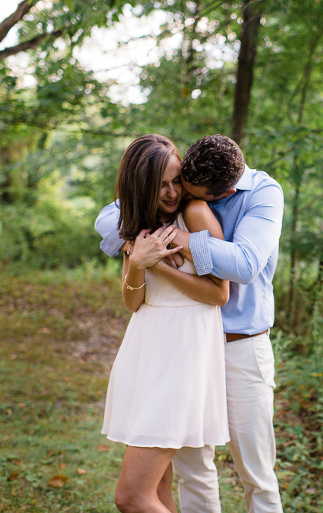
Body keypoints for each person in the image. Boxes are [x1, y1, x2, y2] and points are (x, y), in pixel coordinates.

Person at [95, 134, 285, 513]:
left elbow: (244, 267)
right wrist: (136, 250)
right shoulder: (175, 192)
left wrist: (175, 243)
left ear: (224, 189)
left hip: (239, 342)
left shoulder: (259, 194)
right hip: (180, 349)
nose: (176, 193)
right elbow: (108, 219)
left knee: (256, 472)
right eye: (175, 183)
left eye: (179, 185)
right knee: (193, 470)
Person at [100, 134, 231, 513]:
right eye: (161, 185)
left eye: (176, 180)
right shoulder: (136, 225)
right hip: (146, 349)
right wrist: (138, 260)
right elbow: (133, 301)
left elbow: (219, 293)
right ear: (141, 185)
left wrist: (157, 263)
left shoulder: (195, 215)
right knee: (158, 490)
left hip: (183, 352)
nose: (173, 192)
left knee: (131, 497)